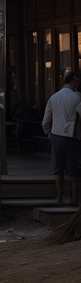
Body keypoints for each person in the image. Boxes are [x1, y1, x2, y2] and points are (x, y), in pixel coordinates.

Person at [42, 68, 81, 206]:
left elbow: (46, 120)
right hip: (71, 136)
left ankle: (59, 198)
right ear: (73, 82)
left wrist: (48, 132)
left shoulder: (54, 97)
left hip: (56, 135)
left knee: (57, 168)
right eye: (77, 80)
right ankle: (74, 200)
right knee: (73, 170)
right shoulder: (76, 98)